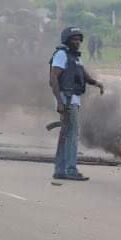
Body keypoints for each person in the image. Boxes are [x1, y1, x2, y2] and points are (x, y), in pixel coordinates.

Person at [50, 26, 104, 181]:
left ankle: (60, 169)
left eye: (79, 39)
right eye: (74, 39)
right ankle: (70, 169)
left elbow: (82, 74)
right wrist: (59, 102)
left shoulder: (75, 57)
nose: (77, 42)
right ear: (67, 40)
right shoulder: (61, 54)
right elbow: (53, 78)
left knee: (65, 134)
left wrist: (95, 83)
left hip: (73, 98)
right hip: (67, 99)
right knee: (72, 135)